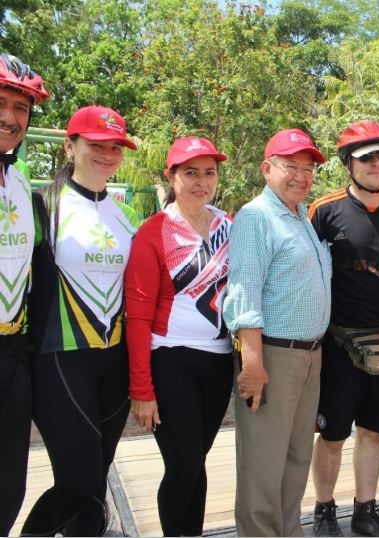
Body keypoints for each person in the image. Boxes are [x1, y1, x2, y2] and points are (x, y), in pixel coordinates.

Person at [22, 105, 140, 536]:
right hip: (59, 357)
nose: (107, 154)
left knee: (95, 481)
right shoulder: (42, 206)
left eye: (115, 147)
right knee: (79, 480)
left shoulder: (127, 216)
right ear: (70, 147)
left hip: (115, 361)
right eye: (96, 145)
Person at [307, 120, 379, 537]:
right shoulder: (324, 212)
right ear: (348, 164)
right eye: (366, 157)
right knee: (332, 433)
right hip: (338, 345)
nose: (376, 164)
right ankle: (324, 510)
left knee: (373, 430)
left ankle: (366, 510)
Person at [223, 128, 332, 537]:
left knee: (295, 459)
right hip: (272, 356)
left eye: (308, 169)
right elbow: (245, 293)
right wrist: (253, 366)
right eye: (291, 167)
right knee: (263, 467)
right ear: (267, 168)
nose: (301, 176)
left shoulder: (301, 216)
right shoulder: (256, 217)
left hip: (309, 356)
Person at [125, 137, 233, 536]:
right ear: (171, 177)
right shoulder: (153, 232)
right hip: (170, 360)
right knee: (183, 464)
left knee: (197, 461)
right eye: (190, 173)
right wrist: (142, 389)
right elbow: (137, 317)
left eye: (209, 173)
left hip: (219, 360)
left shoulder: (229, 226)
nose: (201, 182)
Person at [0, 53, 49, 536]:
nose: (10, 118)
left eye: (20, 107)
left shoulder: (19, 181)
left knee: (10, 486)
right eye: (0, 103)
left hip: (13, 350)